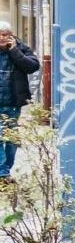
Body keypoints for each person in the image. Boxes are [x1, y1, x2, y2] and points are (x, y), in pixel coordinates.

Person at [0, 21, 40, 179]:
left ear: (10, 36)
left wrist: (14, 51)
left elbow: (32, 67)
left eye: (4, 35)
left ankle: (7, 168)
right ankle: (2, 172)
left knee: (11, 139)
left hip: (12, 104)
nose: (1, 38)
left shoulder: (21, 48)